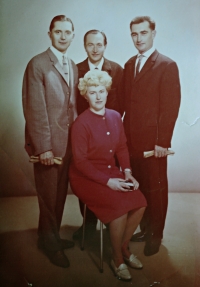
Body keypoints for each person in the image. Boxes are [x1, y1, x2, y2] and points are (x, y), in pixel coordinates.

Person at [69, 70, 147, 281]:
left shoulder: (114, 116)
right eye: (93, 92)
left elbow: (122, 147)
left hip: (111, 171)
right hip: (84, 177)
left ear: (107, 92)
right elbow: (81, 162)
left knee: (140, 202)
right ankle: (117, 259)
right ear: (86, 95)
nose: (98, 96)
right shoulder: (80, 124)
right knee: (119, 208)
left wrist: (127, 173)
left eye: (101, 91)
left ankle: (122, 247)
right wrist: (108, 181)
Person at [22, 15, 78, 268]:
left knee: (58, 196)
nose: (63, 36)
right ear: (50, 34)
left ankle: (50, 238)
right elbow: (34, 109)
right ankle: (50, 244)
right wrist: (43, 147)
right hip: (48, 144)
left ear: (73, 35)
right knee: (47, 196)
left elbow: (72, 107)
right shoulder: (38, 64)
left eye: (68, 32)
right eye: (58, 32)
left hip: (68, 144)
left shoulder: (73, 65)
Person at [123, 16, 181, 256]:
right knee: (140, 188)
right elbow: (125, 104)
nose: (139, 38)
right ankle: (145, 228)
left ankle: (156, 234)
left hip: (153, 144)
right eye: (134, 34)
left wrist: (162, 143)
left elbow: (170, 107)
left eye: (143, 33)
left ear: (153, 33)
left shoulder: (166, 65)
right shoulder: (129, 65)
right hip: (130, 141)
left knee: (156, 190)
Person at [73, 30, 124, 240]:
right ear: (85, 46)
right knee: (87, 173)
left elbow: (121, 104)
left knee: (109, 175)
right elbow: (75, 103)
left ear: (105, 45)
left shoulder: (117, 70)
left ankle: (111, 218)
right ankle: (89, 223)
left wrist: (110, 127)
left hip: (111, 134)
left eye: (99, 45)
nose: (95, 49)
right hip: (87, 133)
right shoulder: (76, 70)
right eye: (90, 45)